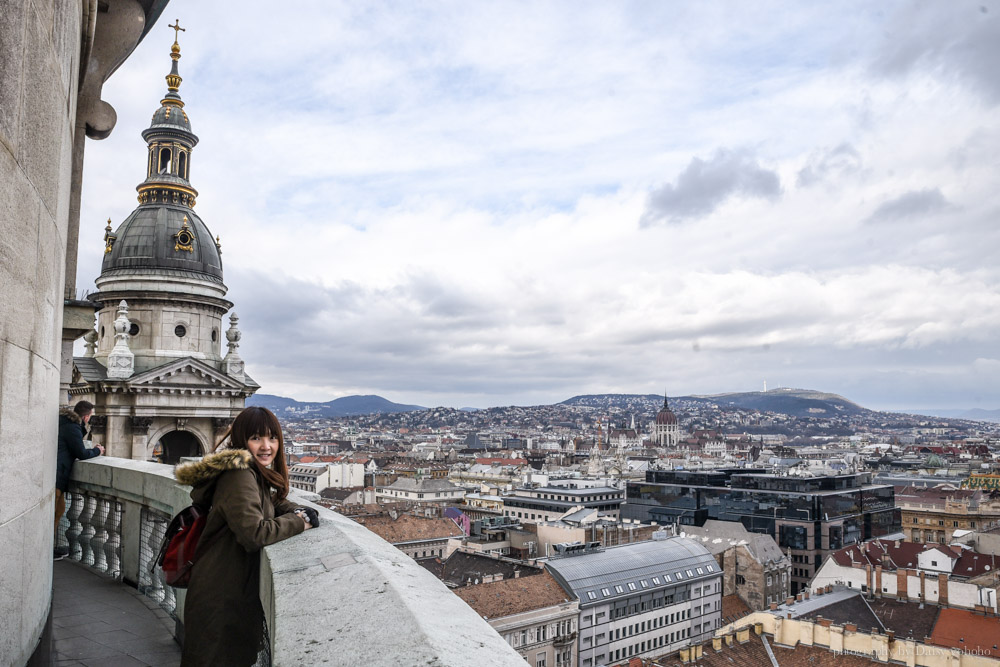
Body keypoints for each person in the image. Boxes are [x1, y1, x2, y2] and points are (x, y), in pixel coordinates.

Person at [175, 406, 316, 667]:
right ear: (242, 439)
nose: (266, 446)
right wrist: (298, 522)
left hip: (224, 587)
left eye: (272, 438)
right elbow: (254, 533)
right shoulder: (239, 475)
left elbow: (262, 505)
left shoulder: (248, 472)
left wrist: (289, 509)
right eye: (256, 438)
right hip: (223, 595)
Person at [55, 400, 104, 560]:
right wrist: (97, 450)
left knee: (59, 510)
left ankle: (49, 548)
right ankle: (46, 549)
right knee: (56, 512)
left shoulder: (66, 423)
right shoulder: (72, 428)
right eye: (90, 416)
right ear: (86, 417)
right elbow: (81, 453)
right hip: (58, 476)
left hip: (57, 475)